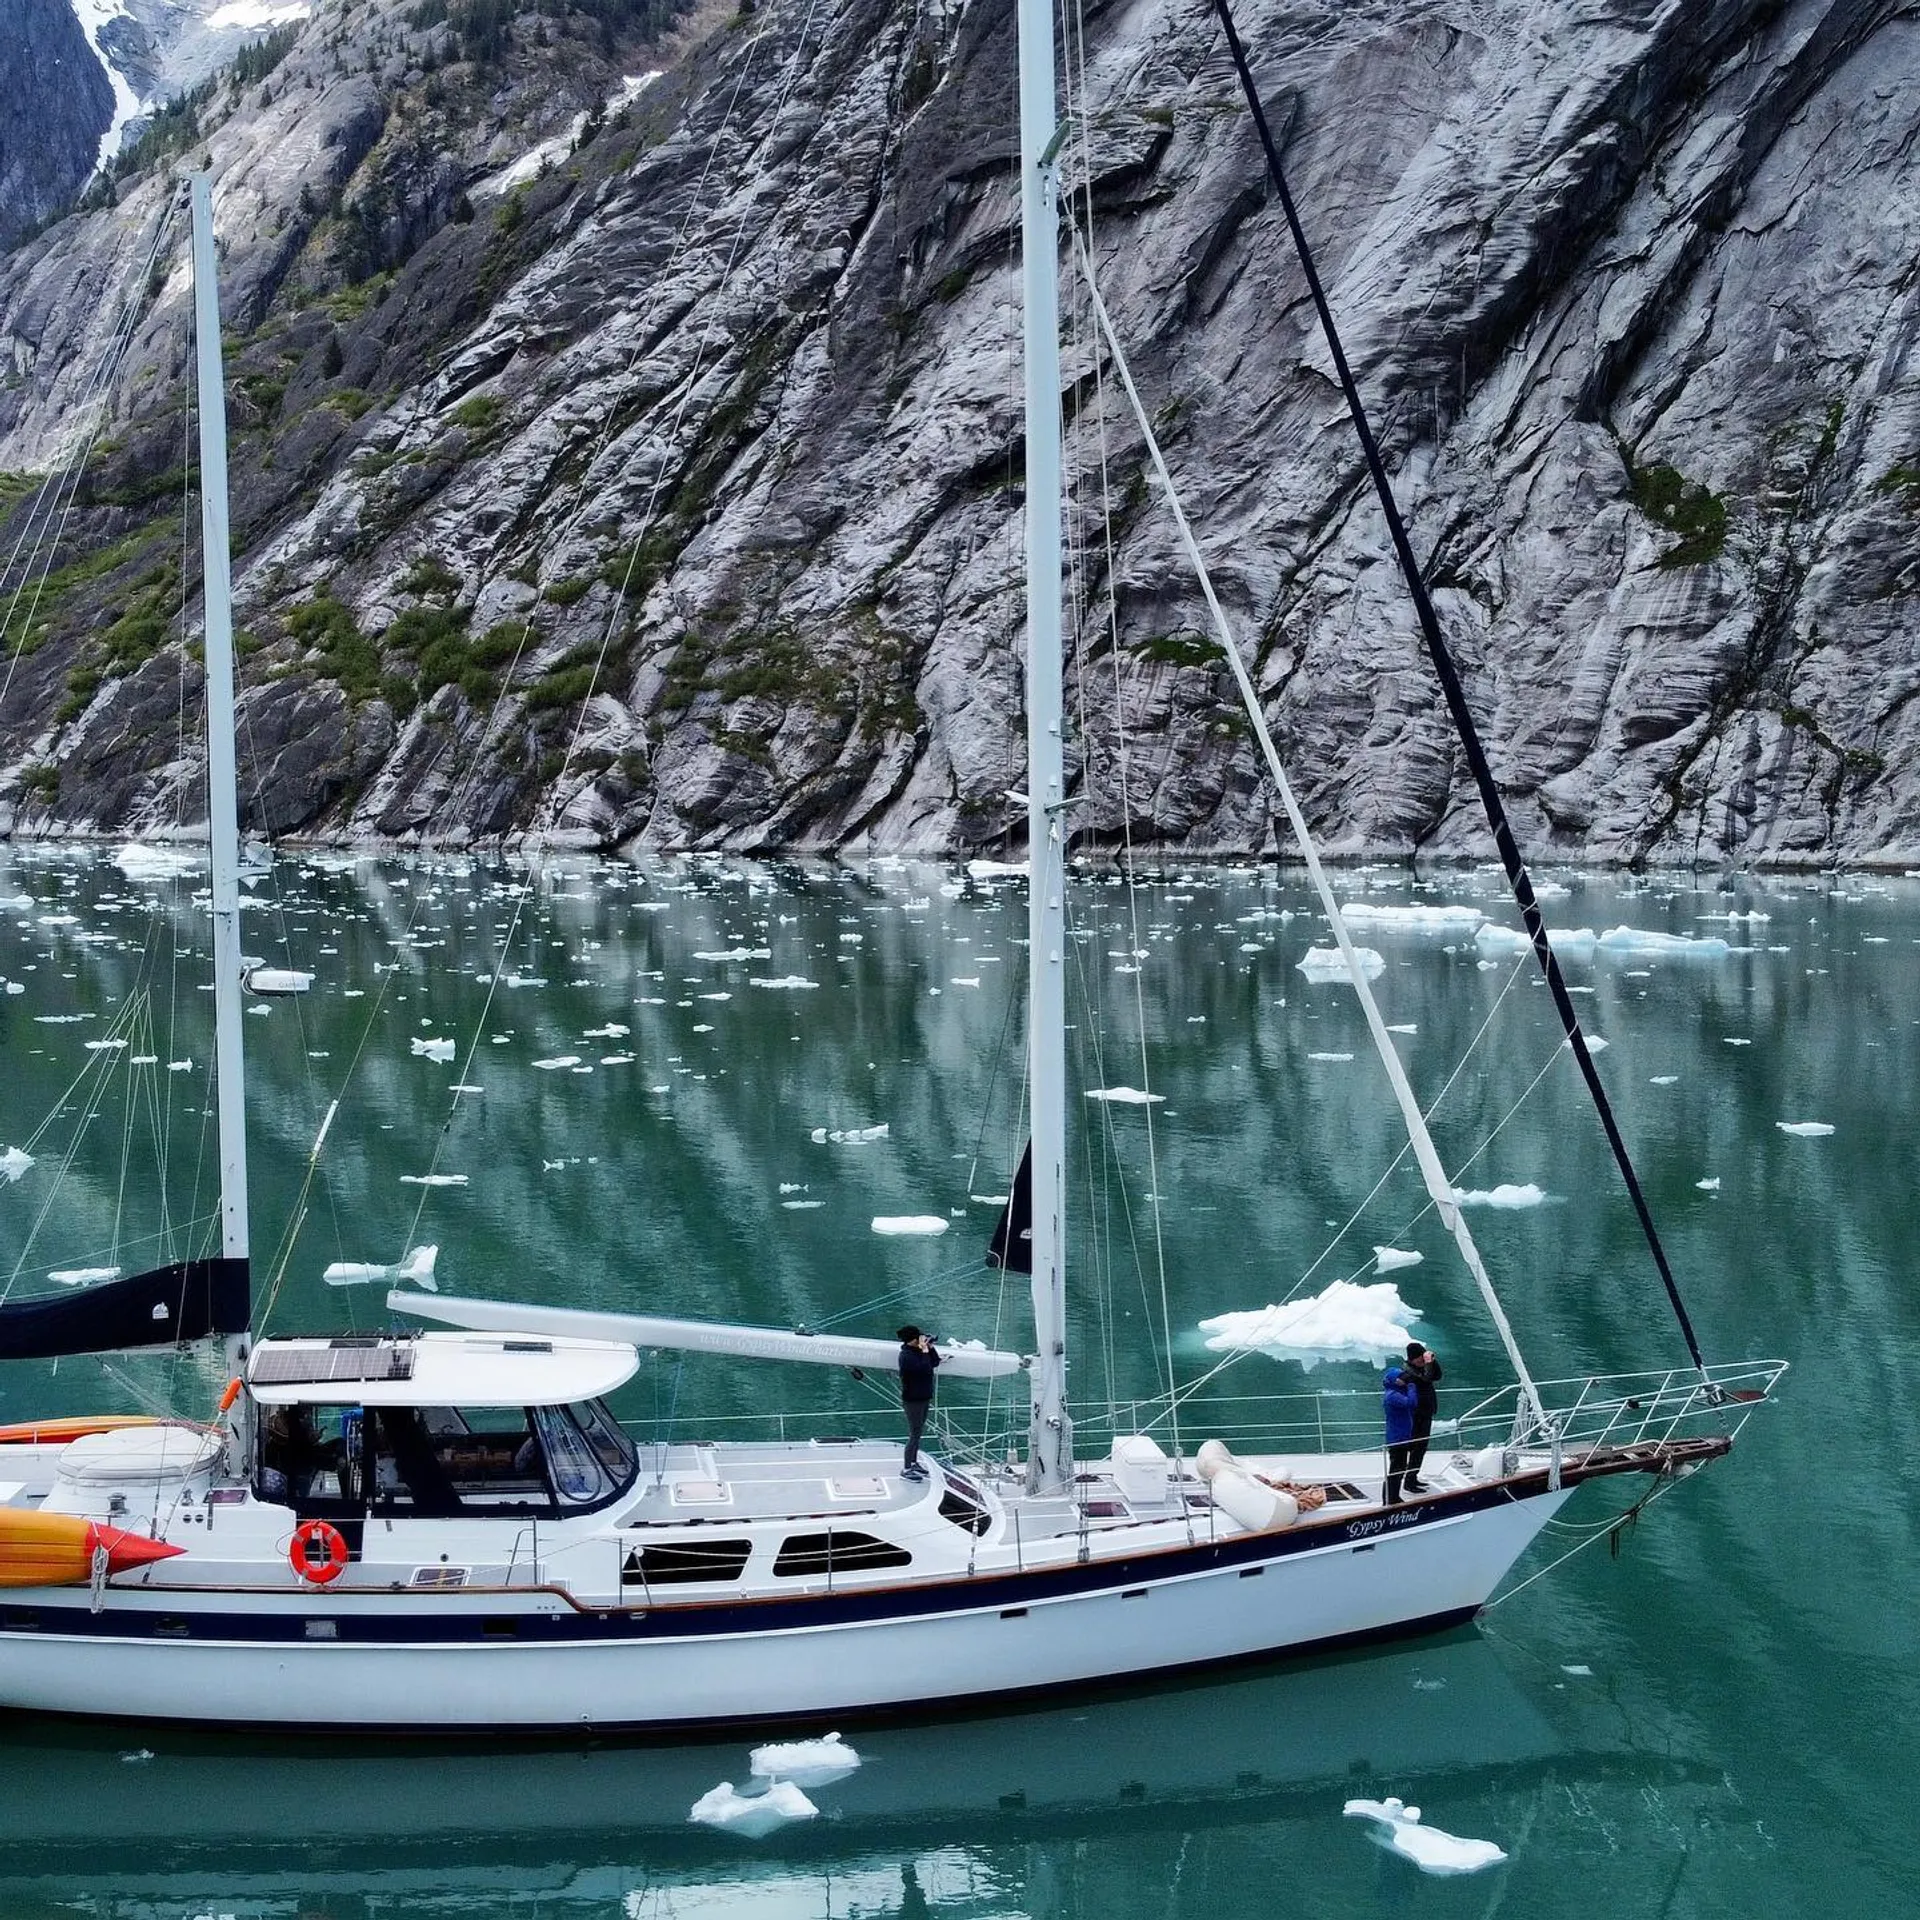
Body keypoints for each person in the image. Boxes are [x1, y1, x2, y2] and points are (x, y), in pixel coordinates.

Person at [896, 1324, 941, 1482]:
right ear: (913, 1340)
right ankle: (907, 1468)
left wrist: (930, 1347)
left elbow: (934, 1362)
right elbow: (923, 1368)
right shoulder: (906, 1355)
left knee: (919, 1432)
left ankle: (914, 1462)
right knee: (914, 1434)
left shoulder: (919, 1351)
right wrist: (925, 1350)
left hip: (923, 1396)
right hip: (912, 1399)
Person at [1403, 1340, 1443, 1492]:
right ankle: (1408, 1481)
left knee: (1421, 1448)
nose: (1422, 1361)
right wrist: (1428, 1364)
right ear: (1413, 1358)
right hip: (1416, 1415)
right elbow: (1426, 1378)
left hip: (1425, 1412)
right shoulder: (1409, 1371)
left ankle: (1412, 1477)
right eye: (1420, 1358)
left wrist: (1432, 1362)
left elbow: (1436, 1376)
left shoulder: (1420, 1368)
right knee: (1415, 1448)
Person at [1381, 1364, 1418, 1506]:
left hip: (1401, 1435)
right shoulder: (1392, 1396)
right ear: (1395, 1381)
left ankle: (1393, 1496)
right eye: (1401, 1378)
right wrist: (1411, 1386)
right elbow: (1412, 1403)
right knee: (1396, 1469)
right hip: (1398, 1438)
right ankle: (1390, 1498)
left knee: (1399, 1468)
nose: (1404, 1380)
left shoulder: (1395, 1392)